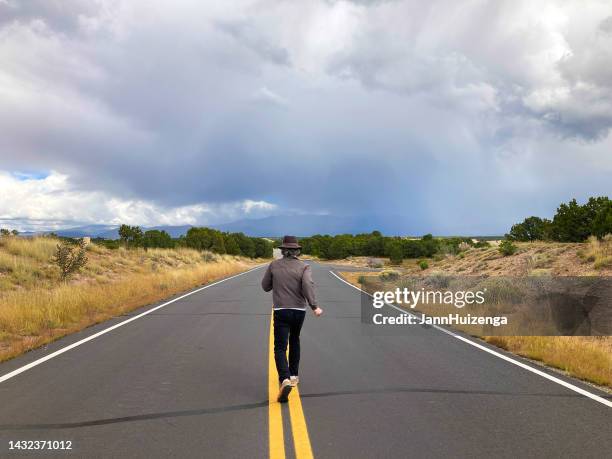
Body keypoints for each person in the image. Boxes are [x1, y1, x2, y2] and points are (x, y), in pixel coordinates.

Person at [261, 235, 323, 403]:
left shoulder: (274, 265)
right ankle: (294, 375)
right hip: (299, 310)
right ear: (297, 251)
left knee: (280, 347)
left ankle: (285, 379)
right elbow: (307, 286)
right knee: (295, 339)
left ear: (283, 250)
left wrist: (278, 281)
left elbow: (265, 286)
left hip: (281, 310)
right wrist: (314, 306)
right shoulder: (304, 267)